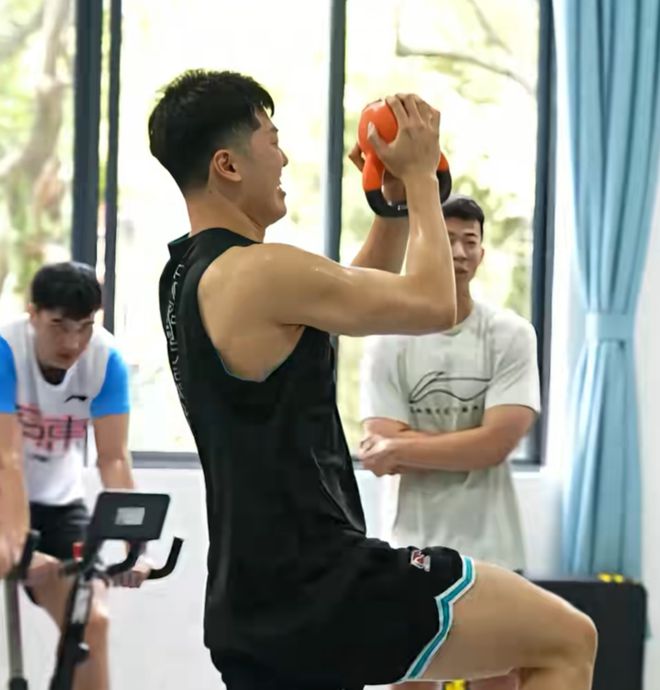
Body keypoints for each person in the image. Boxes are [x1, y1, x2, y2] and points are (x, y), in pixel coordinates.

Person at [149, 69, 596, 690]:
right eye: (272, 141)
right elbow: (434, 303)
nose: (284, 159)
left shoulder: (186, 276)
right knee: (568, 639)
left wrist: (390, 209)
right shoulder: (258, 270)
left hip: (251, 598)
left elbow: (343, 303)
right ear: (227, 165)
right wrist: (422, 178)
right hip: (322, 582)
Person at [359, 194, 541, 690]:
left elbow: (496, 445)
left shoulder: (511, 334)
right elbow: (381, 441)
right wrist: (467, 442)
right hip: (410, 546)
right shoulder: (388, 340)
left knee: (497, 679)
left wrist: (401, 448)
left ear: (481, 253)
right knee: (409, 679)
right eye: (447, 239)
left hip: (492, 545)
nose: (459, 251)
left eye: (470, 241)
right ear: (423, 247)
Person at [0, 262, 150, 690]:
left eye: (84, 327)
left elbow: (114, 459)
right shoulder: (6, 350)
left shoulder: (106, 360)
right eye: (59, 326)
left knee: (90, 621)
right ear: (33, 314)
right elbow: (7, 457)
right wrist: (18, 547)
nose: (72, 343)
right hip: (3, 489)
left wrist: (135, 547)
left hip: (59, 505)